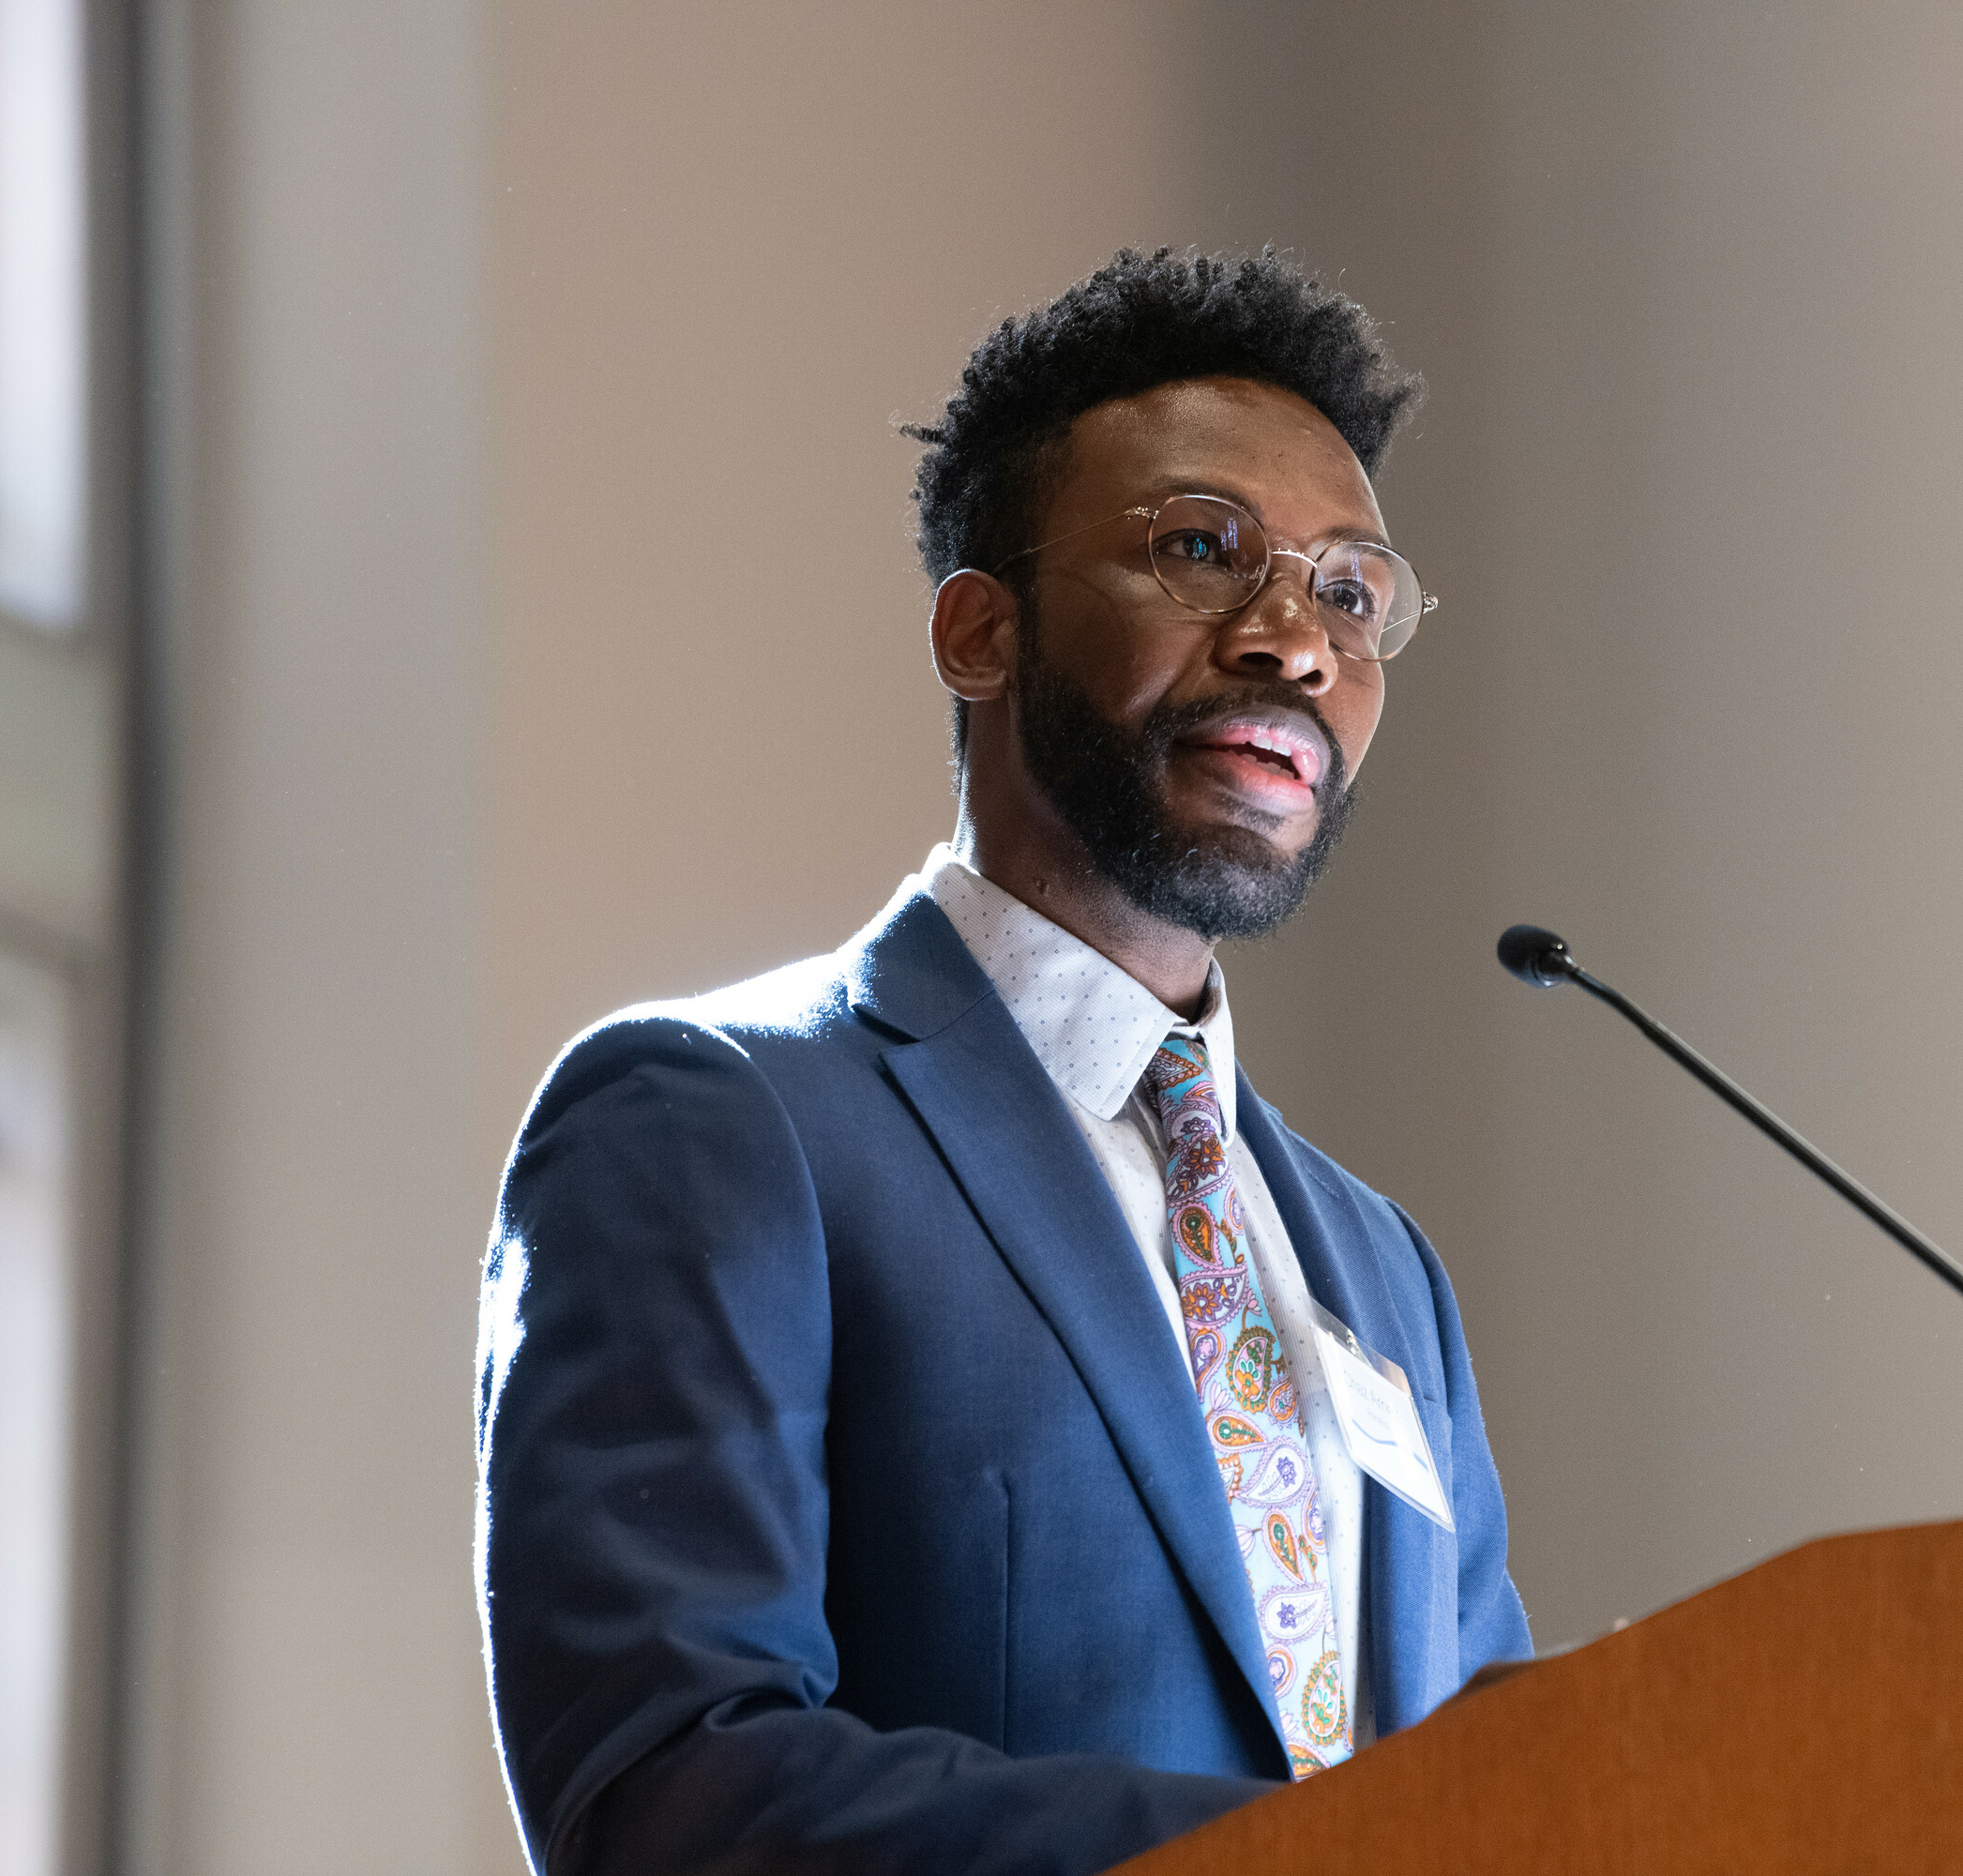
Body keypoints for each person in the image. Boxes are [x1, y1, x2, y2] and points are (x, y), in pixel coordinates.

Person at [476, 249, 1532, 1876]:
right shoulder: (721, 1122)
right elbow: (665, 1793)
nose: (1295, 643)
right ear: (980, 630)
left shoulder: (1386, 1274)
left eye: (1347, 591)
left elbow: (1518, 1798)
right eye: (1202, 549)